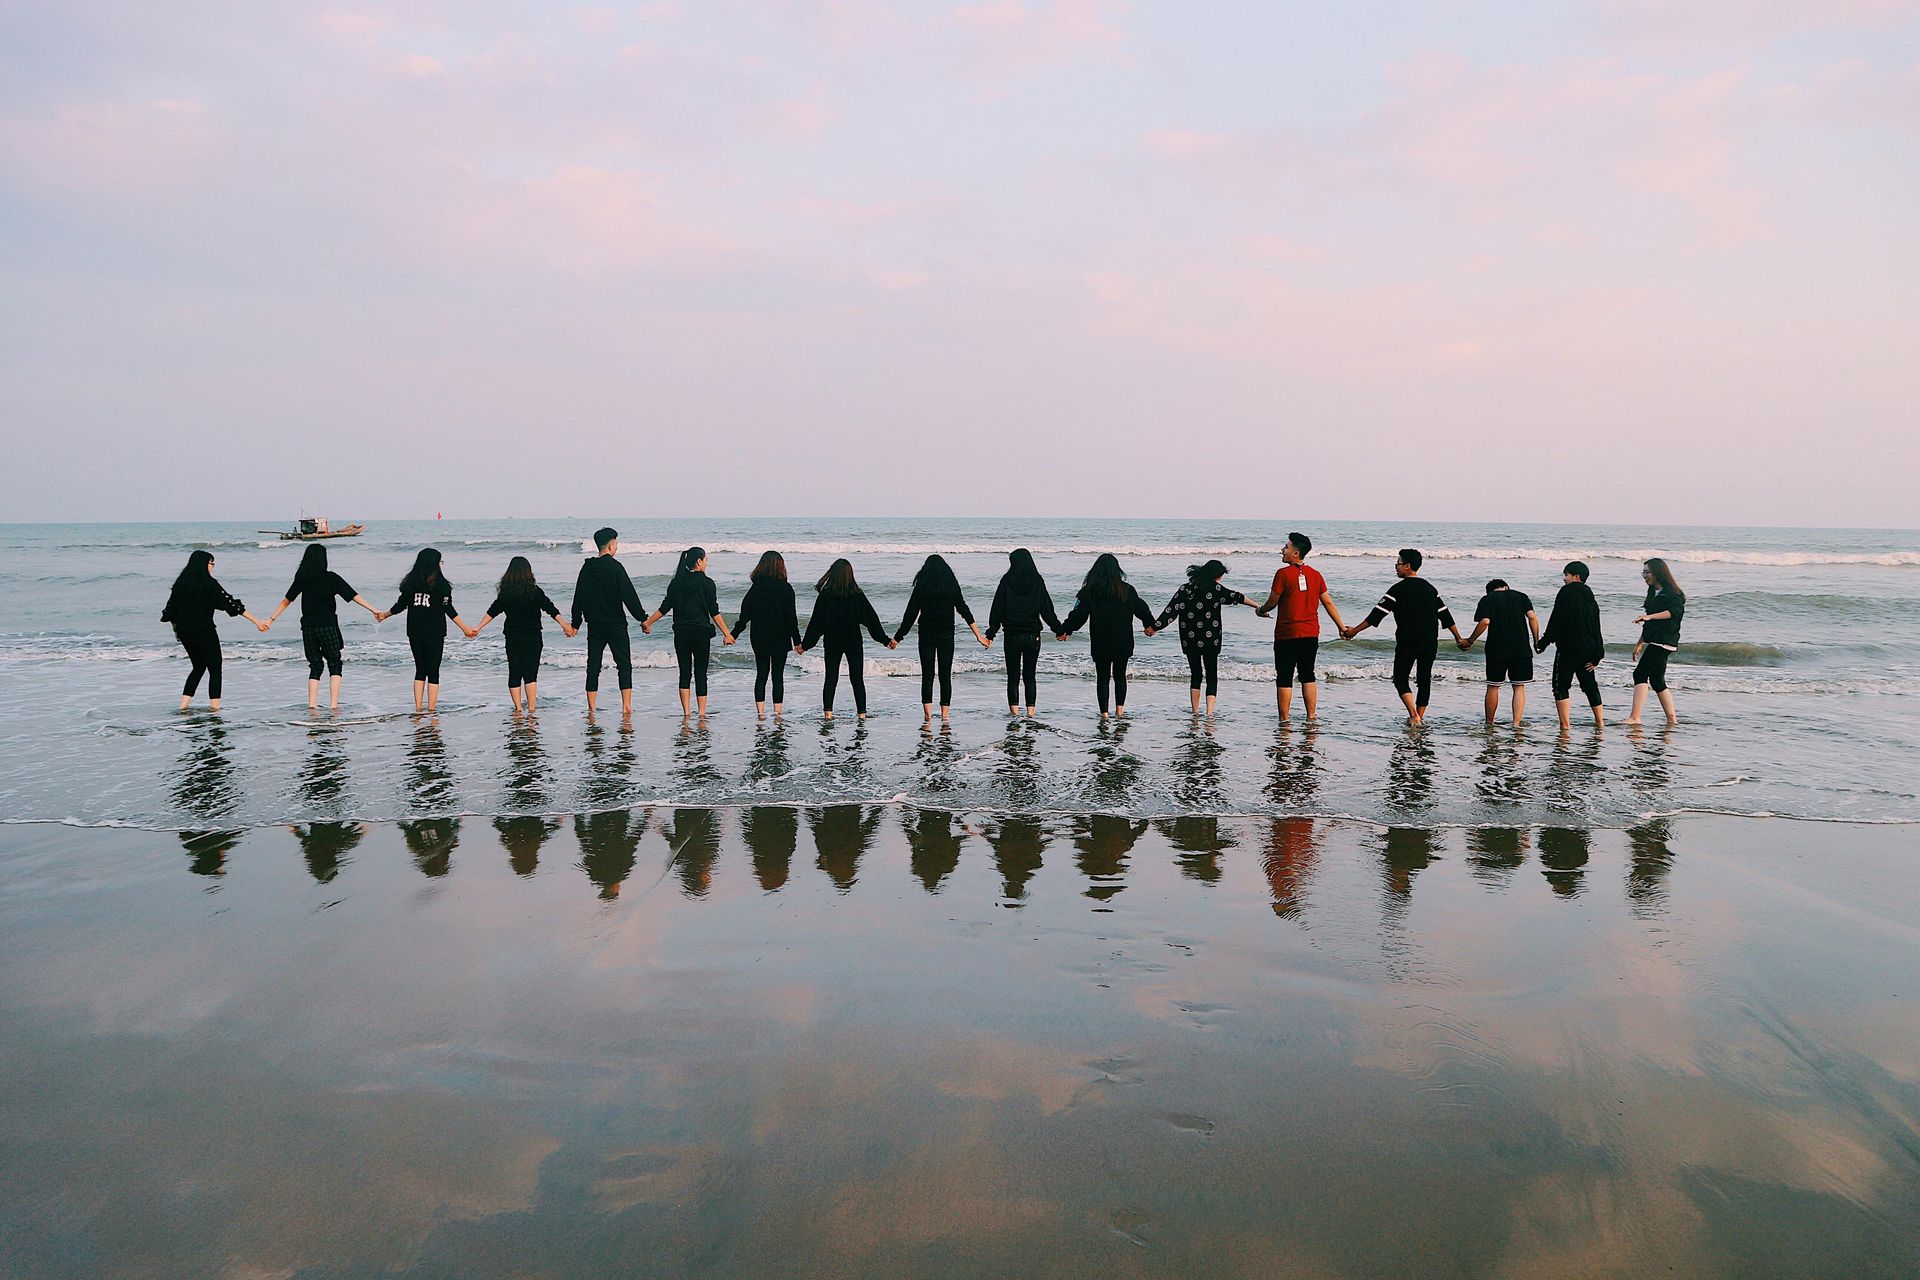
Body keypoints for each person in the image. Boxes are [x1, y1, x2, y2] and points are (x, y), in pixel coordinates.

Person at [1341, 548, 1464, 724]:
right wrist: (1458, 638)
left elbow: (1376, 615)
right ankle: (1420, 718)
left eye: (1398, 564)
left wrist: (1354, 631)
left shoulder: (1397, 589)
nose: (1395, 567)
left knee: (1400, 678)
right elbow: (1445, 615)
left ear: (1407, 566)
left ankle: (1414, 715)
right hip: (1430, 640)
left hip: (1408, 640)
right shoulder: (1430, 588)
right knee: (1424, 679)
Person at [264, 543, 379, 710]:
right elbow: (353, 595)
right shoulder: (331, 578)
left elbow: (286, 600)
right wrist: (374, 610)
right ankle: (333, 706)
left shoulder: (302, 579)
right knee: (335, 663)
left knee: (315, 665)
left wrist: (270, 620)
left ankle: (312, 706)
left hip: (308, 628)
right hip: (327, 626)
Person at [1252, 532, 1347, 721]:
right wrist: (1341, 627)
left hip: (1287, 634)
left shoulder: (1282, 574)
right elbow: (1328, 603)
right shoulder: (1316, 575)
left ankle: (1284, 719)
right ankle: (1311, 716)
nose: (1282, 550)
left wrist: (1260, 610)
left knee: (1285, 677)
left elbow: (1273, 602)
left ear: (1296, 553)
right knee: (1308, 675)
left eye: (1286, 547)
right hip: (1311, 634)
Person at [161, 549, 268, 711]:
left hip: (185, 634)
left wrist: (177, 632)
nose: (213, 567)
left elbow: (171, 613)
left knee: (198, 667)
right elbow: (231, 604)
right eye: (212, 563)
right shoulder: (209, 584)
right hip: (205, 631)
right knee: (215, 669)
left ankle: (183, 706)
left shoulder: (180, 585)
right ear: (204, 564)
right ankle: (215, 709)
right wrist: (257, 622)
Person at [377, 548, 477, 713]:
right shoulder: (442, 585)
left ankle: (418, 708)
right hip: (435, 632)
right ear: (435, 564)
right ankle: (431, 709)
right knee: (434, 671)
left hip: (415, 631)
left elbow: (400, 606)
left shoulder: (410, 583)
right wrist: (465, 628)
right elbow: (448, 609)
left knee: (420, 670)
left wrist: (384, 615)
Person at [1057, 553, 1156, 719]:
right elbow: (1142, 609)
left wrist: (1065, 630)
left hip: (1101, 641)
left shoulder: (1089, 591)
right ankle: (1119, 712)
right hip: (1123, 641)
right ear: (1117, 570)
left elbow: (1078, 615)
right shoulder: (1128, 590)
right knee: (1120, 676)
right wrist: (1150, 625)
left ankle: (1104, 714)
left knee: (1102, 678)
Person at [472, 555, 576, 713]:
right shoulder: (535, 591)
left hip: (513, 637)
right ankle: (532, 710)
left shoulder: (506, 593)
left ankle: (518, 710)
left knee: (514, 672)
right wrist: (565, 625)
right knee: (531, 674)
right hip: (533, 637)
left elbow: (492, 611)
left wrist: (478, 627)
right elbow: (550, 608)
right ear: (529, 572)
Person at [644, 546, 737, 721]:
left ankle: (686, 714)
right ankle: (701, 714)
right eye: (706, 559)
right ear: (699, 561)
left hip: (681, 632)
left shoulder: (676, 582)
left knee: (684, 672)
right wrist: (727, 633)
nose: (707, 562)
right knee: (701, 673)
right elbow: (714, 612)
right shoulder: (708, 583)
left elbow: (664, 608)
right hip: (701, 633)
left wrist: (648, 622)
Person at [1156, 558, 1256, 717]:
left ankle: (1195, 713)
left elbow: (1170, 612)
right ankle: (1209, 714)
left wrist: (1155, 627)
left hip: (1190, 638)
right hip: (1211, 639)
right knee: (1211, 674)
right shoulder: (1216, 589)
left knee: (1195, 674)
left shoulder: (1185, 589)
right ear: (1215, 576)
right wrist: (1259, 607)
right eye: (1220, 576)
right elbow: (1237, 597)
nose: (1220, 579)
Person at [895, 554, 987, 722]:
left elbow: (910, 614)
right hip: (946, 636)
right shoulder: (951, 586)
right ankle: (945, 717)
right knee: (945, 676)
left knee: (927, 676)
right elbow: (964, 610)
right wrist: (979, 636)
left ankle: (928, 717)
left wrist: (897, 638)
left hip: (926, 635)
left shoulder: (921, 587)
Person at [800, 558, 894, 719]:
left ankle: (828, 714)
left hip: (832, 642)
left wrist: (805, 645)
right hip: (853, 642)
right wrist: (885, 640)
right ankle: (862, 714)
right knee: (857, 679)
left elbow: (816, 623)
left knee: (831, 678)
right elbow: (872, 620)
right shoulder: (857, 595)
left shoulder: (826, 596)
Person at [570, 527, 648, 718]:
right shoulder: (616, 567)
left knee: (593, 665)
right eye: (616, 544)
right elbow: (629, 596)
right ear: (611, 545)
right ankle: (626, 706)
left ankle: (592, 708)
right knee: (624, 664)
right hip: (616, 625)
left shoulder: (586, 568)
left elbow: (578, 596)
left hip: (595, 625)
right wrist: (643, 618)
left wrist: (575, 623)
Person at [985, 548, 1063, 717]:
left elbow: (997, 609)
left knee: (1013, 677)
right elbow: (1047, 609)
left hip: (1012, 635)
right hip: (1032, 635)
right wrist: (1059, 630)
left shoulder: (1006, 581)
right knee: (1030, 676)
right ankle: (1030, 714)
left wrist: (991, 633)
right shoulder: (1037, 581)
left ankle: (1014, 715)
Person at [1536, 560, 1605, 732]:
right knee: (1590, 685)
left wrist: (1543, 642)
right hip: (1589, 650)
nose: (1564, 579)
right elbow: (1596, 626)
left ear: (1576, 576)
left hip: (1568, 648)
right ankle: (1600, 722)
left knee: (1560, 686)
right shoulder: (1591, 598)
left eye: (1566, 575)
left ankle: (1565, 726)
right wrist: (1598, 654)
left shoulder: (1566, 592)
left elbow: (1557, 619)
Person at [1461, 578, 1540, 727]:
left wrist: (1470, 641)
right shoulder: (1521, 596)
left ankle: (1489, 723)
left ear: (1490, 591)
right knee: (1518, 686)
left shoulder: (1487, 599)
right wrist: (1536, 641)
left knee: (1493, 685)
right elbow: (1532, 617)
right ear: (1506, 587)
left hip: (1497, 648)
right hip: (1521, 647)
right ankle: (1516, 724)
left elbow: (1485, 622)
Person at [735, 550, 803, 720]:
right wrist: (797, 641)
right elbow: (791, 618)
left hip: (759, 637)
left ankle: (760, 713)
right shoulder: (786, 589)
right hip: (780, 638)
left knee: (761, 675)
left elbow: (745, 615)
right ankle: (778, 715)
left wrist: (733, 634)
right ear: (780, 566)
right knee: (777, 677)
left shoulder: (755, 588)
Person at [1628, 557, 1686, 727]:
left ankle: (1635, 717)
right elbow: (1649, 624)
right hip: (1656, 641)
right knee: (1657, 680)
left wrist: (1650, 616)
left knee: (1639, 674)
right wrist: (1639, 643)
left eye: (1647, 572)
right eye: (1643, 573)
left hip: (1664, 641)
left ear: (1658, 573)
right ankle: (1672, 720)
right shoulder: (1654, 592)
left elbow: (1675, 613)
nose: (1644, 576)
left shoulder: (1673, 593)